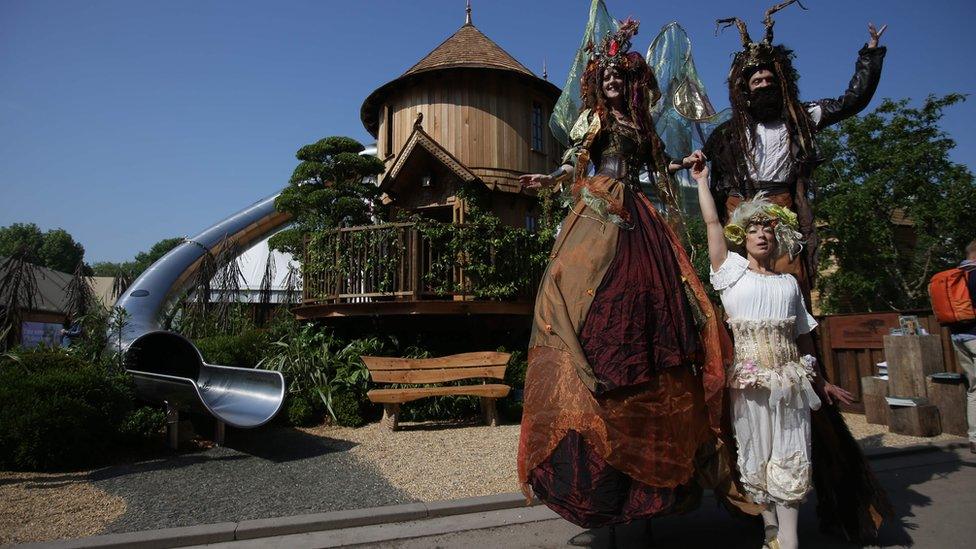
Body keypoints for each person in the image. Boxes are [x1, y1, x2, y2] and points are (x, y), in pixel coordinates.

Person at [516, 19, 753, 545]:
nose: (614, 86)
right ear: (598, 85)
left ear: (631, 82)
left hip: (641, 219)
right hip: (601, 208)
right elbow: (572, 164)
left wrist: (688, 164)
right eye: (607, 80)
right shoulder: (592, 125)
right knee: (574, 290)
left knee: (667, 311)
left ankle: (654, 488)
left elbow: (659, 166)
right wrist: (548, 181)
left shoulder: (643, 128)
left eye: (621, 79)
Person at [688, 150, 854, 549]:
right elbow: (712, 221)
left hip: (792, 383)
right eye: (754, 229)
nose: (761, 234)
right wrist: (701, 181)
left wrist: (823, 382)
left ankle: (790, 540)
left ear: (777, 237)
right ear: (743, 237)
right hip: (748, 383)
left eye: (767, 229)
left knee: (793, 455)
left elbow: (804, 338)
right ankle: (770, 529)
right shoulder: (729, 274)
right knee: (755, 456)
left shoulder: (789, 286)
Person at [705, 1, 886, 292]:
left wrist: (871, 54)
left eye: (768, 79)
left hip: (781, 204)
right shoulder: (729, 131)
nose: (763, 84)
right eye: (757, 81)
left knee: (789, 280)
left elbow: (851, 101)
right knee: (738, 283)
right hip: (739, 206)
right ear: (746, 89)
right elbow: (697, 158)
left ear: (780, 83)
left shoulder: (800, 117)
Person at [942, 241, 976, 454]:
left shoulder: (954, 275)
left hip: (958, 338)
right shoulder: (974, 275)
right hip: (975, 336)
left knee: (973, 389)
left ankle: (974, 437)